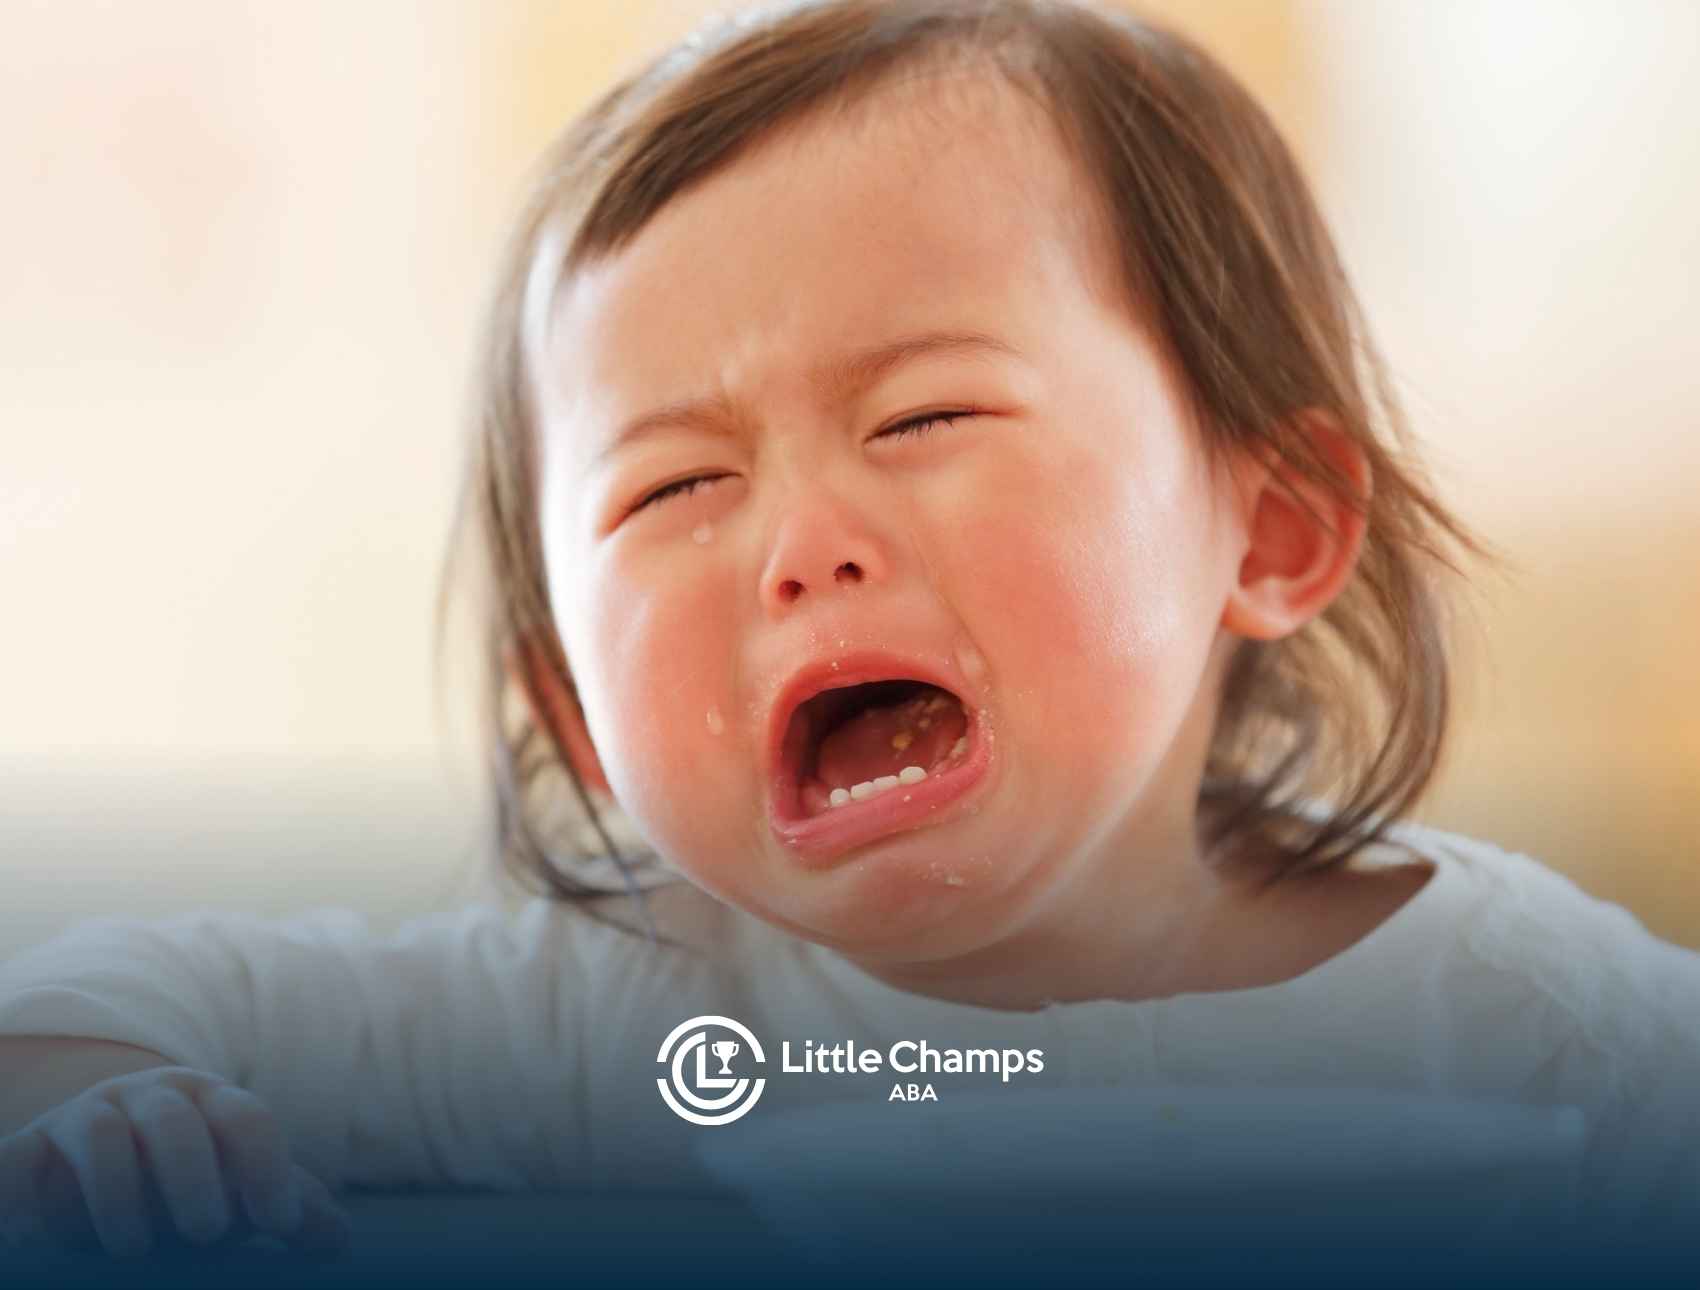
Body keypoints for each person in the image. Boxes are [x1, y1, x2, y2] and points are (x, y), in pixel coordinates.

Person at [1, 0, 1695, 1275]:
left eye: (924, 416)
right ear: (579, 720)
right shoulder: (633, 1022)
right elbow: (86, 1005)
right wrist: (116, 1120)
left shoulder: (1538, 1030)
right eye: (676, 489)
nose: (804, 547)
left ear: (1269, 526)